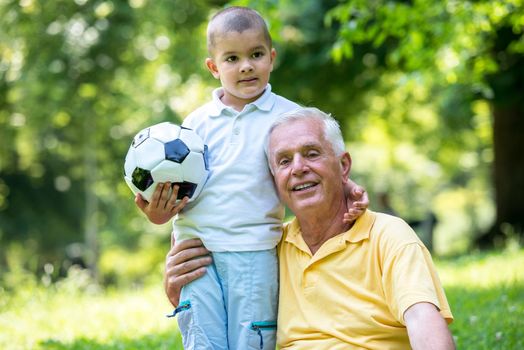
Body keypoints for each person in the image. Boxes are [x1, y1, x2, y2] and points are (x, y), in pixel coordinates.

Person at [134, 7, 368, 350]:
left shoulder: (288, 116)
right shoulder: (194, 125)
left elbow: (320, 163)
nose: (246, 65)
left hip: (254, 252)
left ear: (271, 58)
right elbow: (177, 190)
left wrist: (349, 188)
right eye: (232, 58)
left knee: (252, 340)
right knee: (202, 340)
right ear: (213, 67)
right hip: (196, 251)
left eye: (255, 54)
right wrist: (159, 215)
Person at [165, 107, 455, 349]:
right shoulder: (269, 248)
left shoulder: (387, 235)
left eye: (312, 153)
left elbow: (422, 318)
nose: (298, 168)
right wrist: (178, 289)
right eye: (284, 161)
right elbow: (229, 315)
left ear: (343, 166)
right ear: (273, 180)